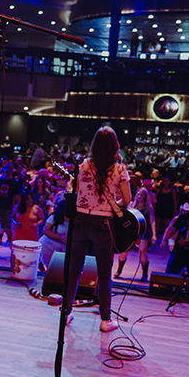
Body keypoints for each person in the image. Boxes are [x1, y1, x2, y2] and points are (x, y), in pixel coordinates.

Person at [63, 126, 131, 332]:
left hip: (80, 220)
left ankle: (66, 313)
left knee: (73, 270)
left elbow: (70, 190)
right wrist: (111, 202)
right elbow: (127, 200)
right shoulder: (119, 169)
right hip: (103, 224)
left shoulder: (82, 166)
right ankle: (105, 319)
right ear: (115, 146)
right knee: (103, 274)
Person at [116, 178, 155, 282]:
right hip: (131, 232)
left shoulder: (148, 207)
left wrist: (154, 235)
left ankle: (145, 274)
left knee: (142, 254)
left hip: (143, 233)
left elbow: (152, 221)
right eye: (138, 195)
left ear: (145, 197)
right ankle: (118, 271)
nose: (139, 197)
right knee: (123, 252)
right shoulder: (132, 205)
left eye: (142, 195)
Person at [39, 199, 68, 273]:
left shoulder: (75, 220)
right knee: (51, 268)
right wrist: (60, 237)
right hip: (49, 246)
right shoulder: (54, 217)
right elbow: (45, 230)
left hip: (64, 248)